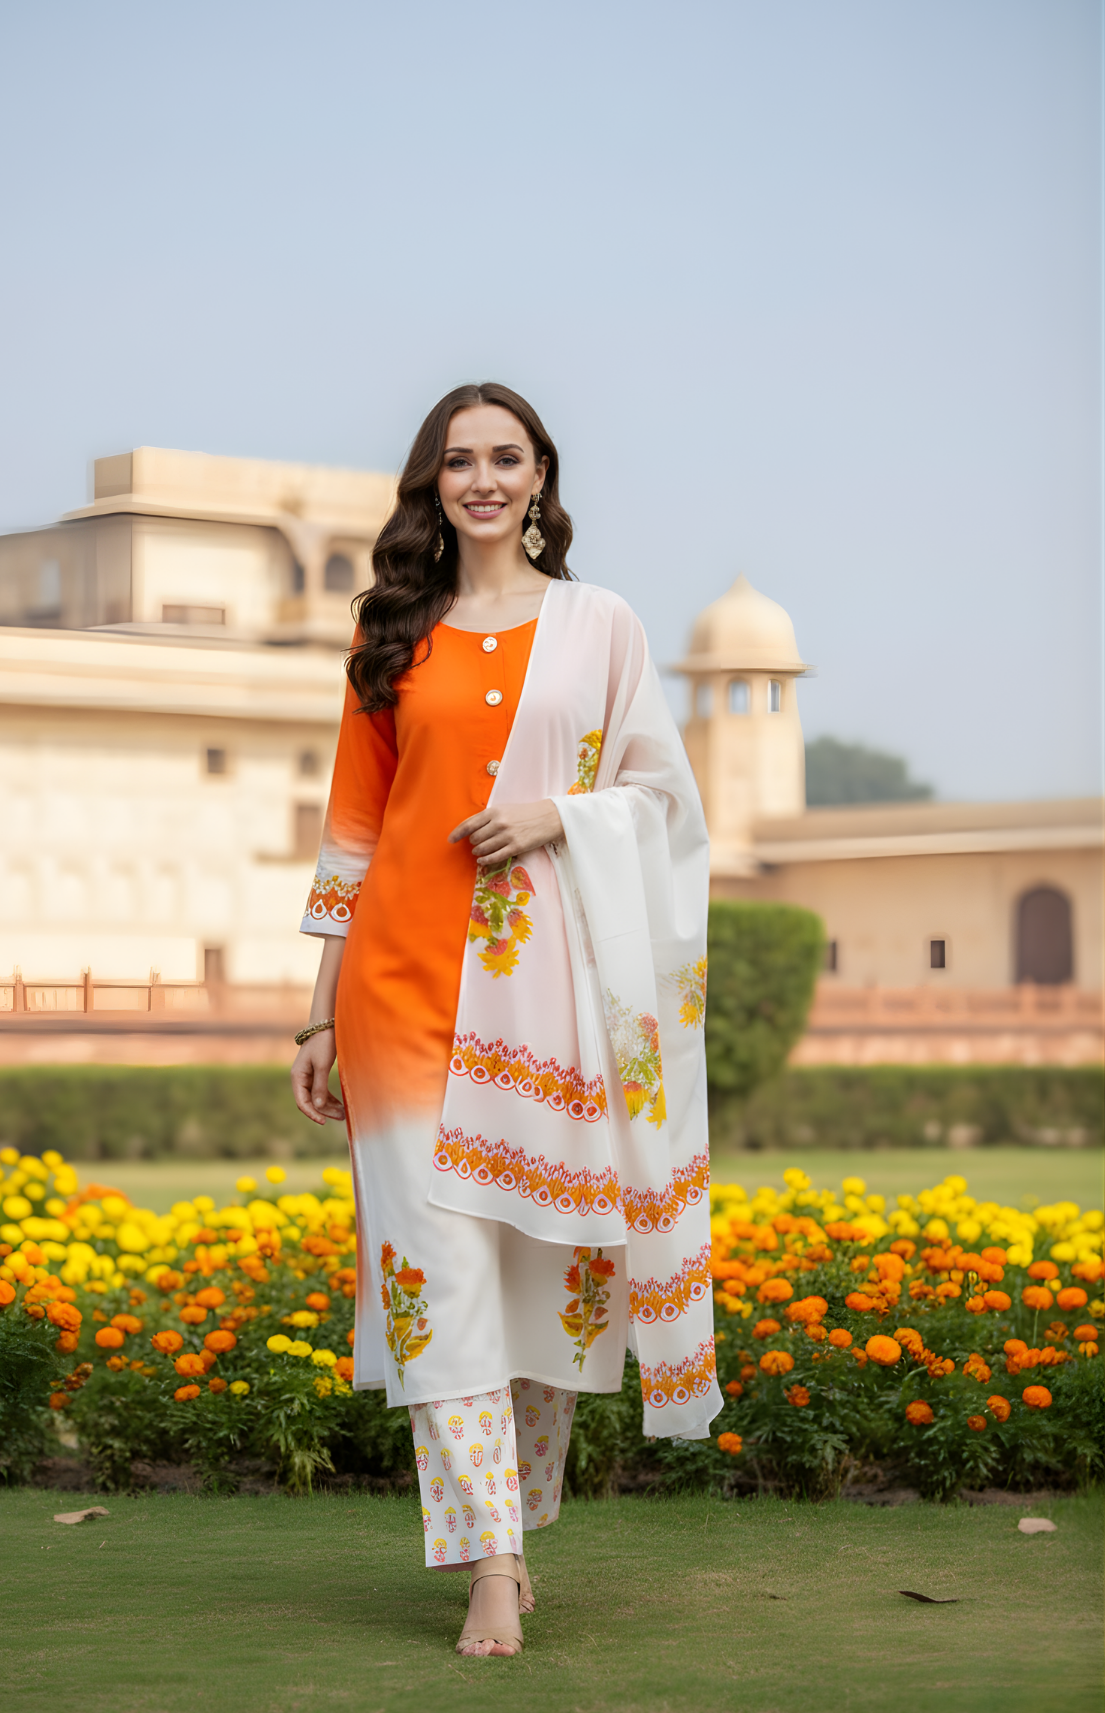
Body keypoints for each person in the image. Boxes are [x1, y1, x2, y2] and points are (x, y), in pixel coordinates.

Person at [291, 382, 721, 1657]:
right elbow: (350, 835)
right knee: (437, 1282)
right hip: (397, 998)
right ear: (430, 481)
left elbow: (665, 796)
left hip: (546, 1011)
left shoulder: (600, 627)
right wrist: (315, 1018)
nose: (481, 478)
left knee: (545, 1277)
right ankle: (488, 1562)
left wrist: (559, 815)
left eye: (505, 457)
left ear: (539, 477)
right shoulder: (390, 633)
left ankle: (511, 1529)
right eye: (457, 460)